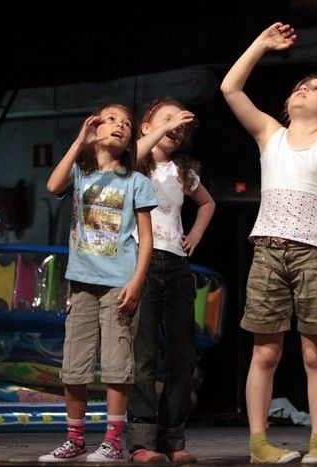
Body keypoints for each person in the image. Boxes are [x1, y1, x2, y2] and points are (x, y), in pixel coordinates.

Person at [220, 22, 317, 463]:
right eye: (300, 85)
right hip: (269, 250)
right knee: (265, 351)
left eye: (315, 88)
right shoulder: (270, 134)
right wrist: (261, 43)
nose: (303, 89)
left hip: (314, 253)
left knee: (316, 354)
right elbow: (230, 88)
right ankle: (259, 444)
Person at [39, 104, 157, 462]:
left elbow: (146, 239)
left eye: (126, 124)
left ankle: (112, 442)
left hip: (119, 283)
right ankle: (75, 440)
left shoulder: (135, 181)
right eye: (111, 119)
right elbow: (52, 185)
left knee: (117, 365)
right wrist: (80, 141)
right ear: (95, 127)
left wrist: (137, 281)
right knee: (74, 365)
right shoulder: (80, 172)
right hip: (81, 282)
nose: (119, 125)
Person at [126, 98, 216, 463]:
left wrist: (194, 234)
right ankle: (141, 440)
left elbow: (208, 203)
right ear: (147, 127)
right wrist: (165, 126)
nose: (175, 128)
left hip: (177, 265)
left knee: (181, 356)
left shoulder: (182, 171)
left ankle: (173, 439)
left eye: (180, 126)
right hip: (142, 261)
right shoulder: (134, 165)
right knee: (143, 354)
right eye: (167, 120)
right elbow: (132, 155)